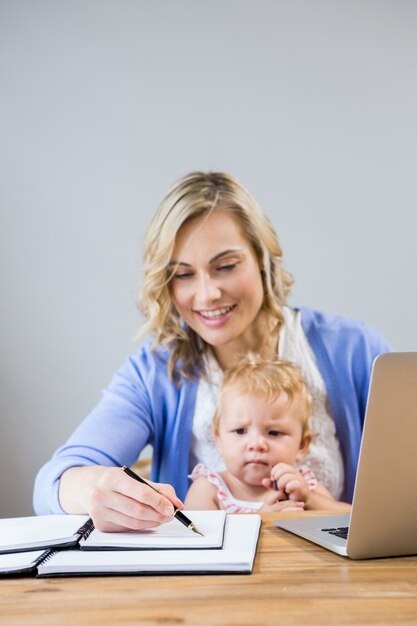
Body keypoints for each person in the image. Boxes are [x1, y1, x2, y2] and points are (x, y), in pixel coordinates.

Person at [33, 171, 390, 531]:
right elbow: (55, 481)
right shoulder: (156, 372)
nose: (206, 295)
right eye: (183, 274)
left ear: (263, 259)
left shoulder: (356, 351)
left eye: (226, 267)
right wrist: (93, 490)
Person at [185, 354, 351, 512]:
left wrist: (309, 500)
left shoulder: (302, 487)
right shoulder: (209, 489)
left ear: (302, 445)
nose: (256, 444)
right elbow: (199, 539)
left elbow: (351, 519)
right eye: (240, 431)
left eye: (274, 433)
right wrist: (261, 521)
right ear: (218, 440)